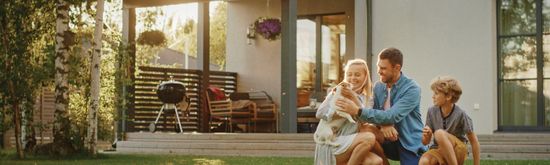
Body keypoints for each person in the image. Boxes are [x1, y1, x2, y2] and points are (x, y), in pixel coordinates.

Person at [337, 47, 425, 165]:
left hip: (408, 142)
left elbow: (391, 116)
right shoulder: (379, 87)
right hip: (387, 138)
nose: (378, 71)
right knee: (367, 130)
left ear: (397, 68)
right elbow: (373, 115)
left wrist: (357, 111)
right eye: (378, 66)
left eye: (383, 68)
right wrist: (384, 125)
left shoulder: (412, 89)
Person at [314, 59, 382, 165]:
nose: (352, 78)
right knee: (369, 137)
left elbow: (364, 120)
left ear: (365, 77)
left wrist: (353, 98)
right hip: (332, 143)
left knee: (376, 161)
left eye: (357, 75)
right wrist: (339, 114)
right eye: (349, 74)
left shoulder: (368, 99)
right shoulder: (337, 92)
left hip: (353, 144)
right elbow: (320, 113)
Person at [419, 76, 480, 165]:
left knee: (439, 133)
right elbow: (425, 142)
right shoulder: (431, 111)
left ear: (448, 97)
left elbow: (474, 142)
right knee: (424, 162)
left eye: (436, 93)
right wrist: (426, 136)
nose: (433, 96)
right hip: (438, 149)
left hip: (458, 151)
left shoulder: (461, 114)